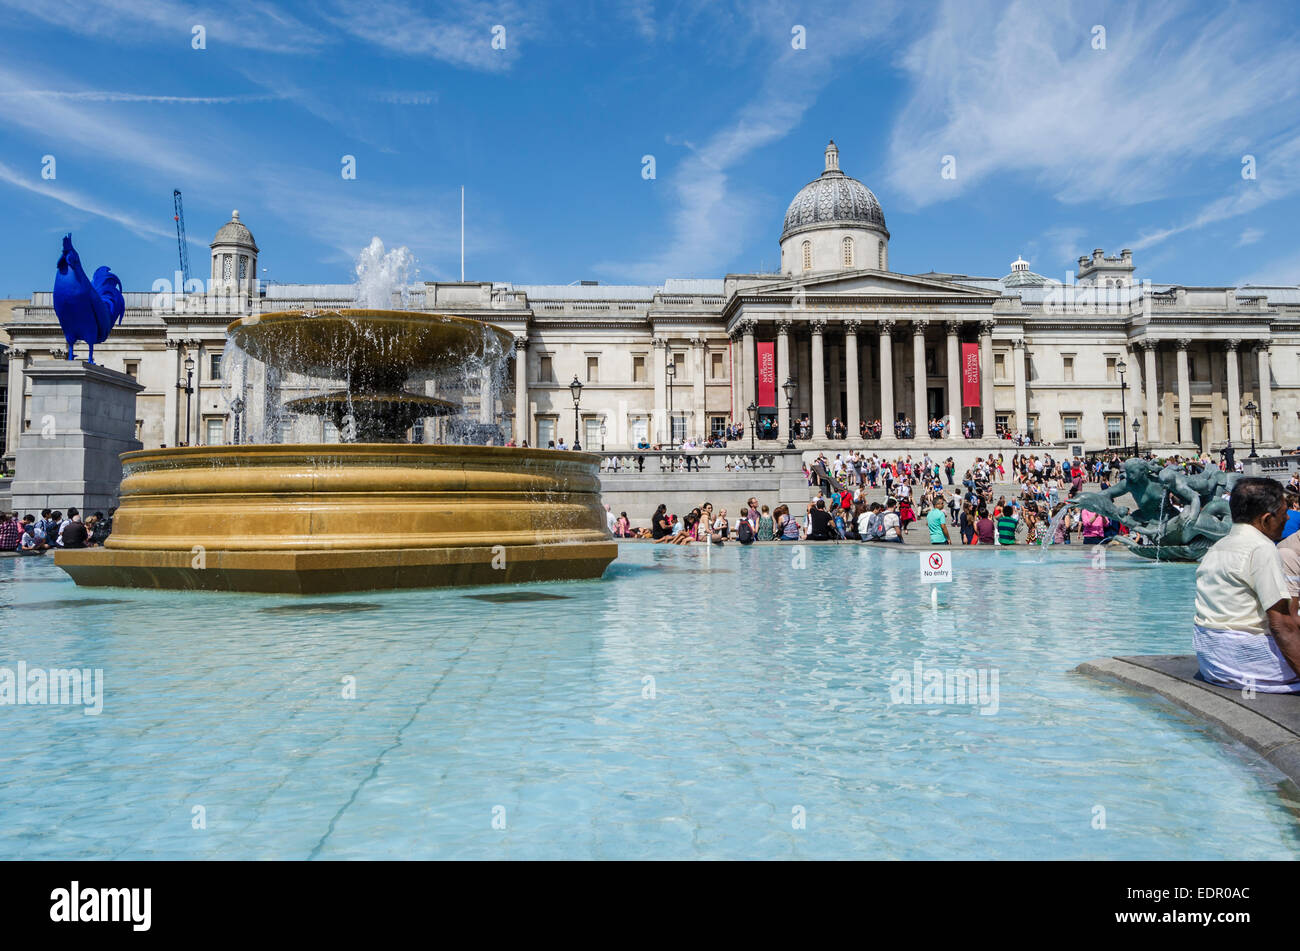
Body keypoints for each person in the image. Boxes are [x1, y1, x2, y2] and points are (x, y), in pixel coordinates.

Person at [1193, 478, 1300, 693]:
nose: (1288, 518)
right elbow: (1280, 624)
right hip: (1247, 662)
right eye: (1284, 513)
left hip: (1211, 661)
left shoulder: (1219, 546)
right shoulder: (1262, 548)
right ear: (1267, 519)